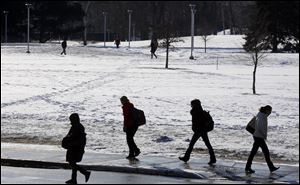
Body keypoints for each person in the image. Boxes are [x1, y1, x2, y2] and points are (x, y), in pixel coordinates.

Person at [179, 99, 216, 165]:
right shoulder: (198, 111)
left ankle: (186, 157)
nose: (191, 106)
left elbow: (197, 122)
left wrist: (198, 129)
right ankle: (213, 159)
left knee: (192, 144)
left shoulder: (197, 112)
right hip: (201, 130)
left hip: (199, 131)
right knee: (207, 145)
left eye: (192, 104)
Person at [245, 105, 280, 174]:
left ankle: (248, 167)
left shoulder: (261, 115)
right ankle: (271, 167)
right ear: (266, 110)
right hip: (259, 136)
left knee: (254, 152)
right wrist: (263, 135)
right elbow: (260, 127)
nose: (270, 113)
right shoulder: (262, 116)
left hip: (257, 136)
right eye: (270, 111)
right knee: (265, 152)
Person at [62, 113, 91, 184]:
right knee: (72, 163)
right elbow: (69, 135)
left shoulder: (78, 127)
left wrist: (71, 143)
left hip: (75, 148)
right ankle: (74, 179)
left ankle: (85, 173)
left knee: (72, 163)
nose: (71, 122)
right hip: (72, 147)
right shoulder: (75, 126)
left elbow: (80, 139)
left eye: (71, 120)